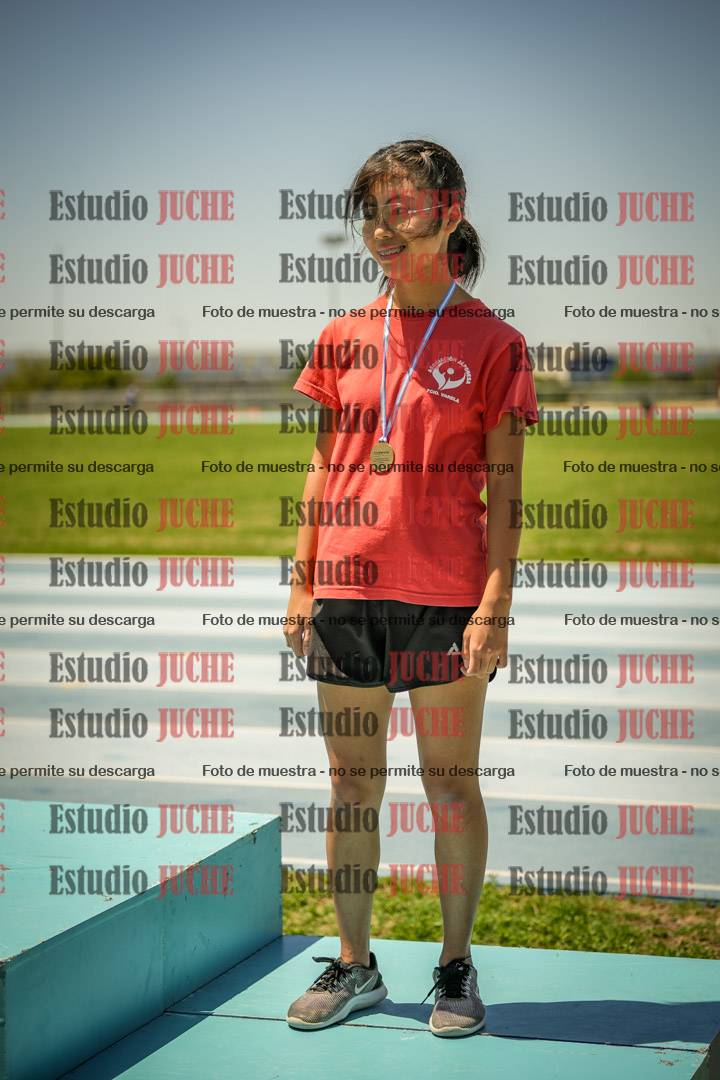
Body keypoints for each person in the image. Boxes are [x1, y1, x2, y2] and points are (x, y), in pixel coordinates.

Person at [283, 138, 538, 1037]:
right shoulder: (341, 336)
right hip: (346, 594)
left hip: (447, 596)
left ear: (449, 212)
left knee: (450, 786)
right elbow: (324, 468)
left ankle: (455, 966)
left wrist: (495, 605)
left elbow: (507, 491)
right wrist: (303, 581)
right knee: (352, 785)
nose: (381, 228)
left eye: (400, 209)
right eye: (371, 212)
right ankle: (354, 964)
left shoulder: (497, 343)